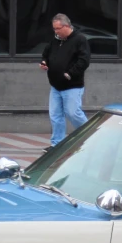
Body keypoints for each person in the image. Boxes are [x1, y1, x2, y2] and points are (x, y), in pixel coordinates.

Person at [40, 14, 91, 153]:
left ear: (67, 26)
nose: (56, 32)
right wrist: (44, 62)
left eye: (58, 28)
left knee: (73, 113)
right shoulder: (55, 40)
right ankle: (57, 144)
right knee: (55, 115)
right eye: (54, 29)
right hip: (56, 86)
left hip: (72, 85)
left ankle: (90, 136)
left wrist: (70, 74)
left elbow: (84, 60)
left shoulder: (79, 39)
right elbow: (47, 53)